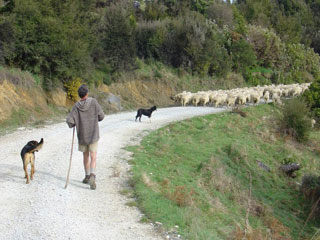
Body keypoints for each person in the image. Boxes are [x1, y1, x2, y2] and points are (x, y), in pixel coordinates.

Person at [66, 84, 104, 190]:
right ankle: (92, 175)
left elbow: (70, 120)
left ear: (79, 95)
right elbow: (101, 116)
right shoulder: (94, 102)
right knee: (93, 156)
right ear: (87, 93)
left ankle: (87, 177)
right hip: (93, 135)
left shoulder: (76, 106)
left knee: (85, 156)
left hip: (82, 136)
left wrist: (73, 123)